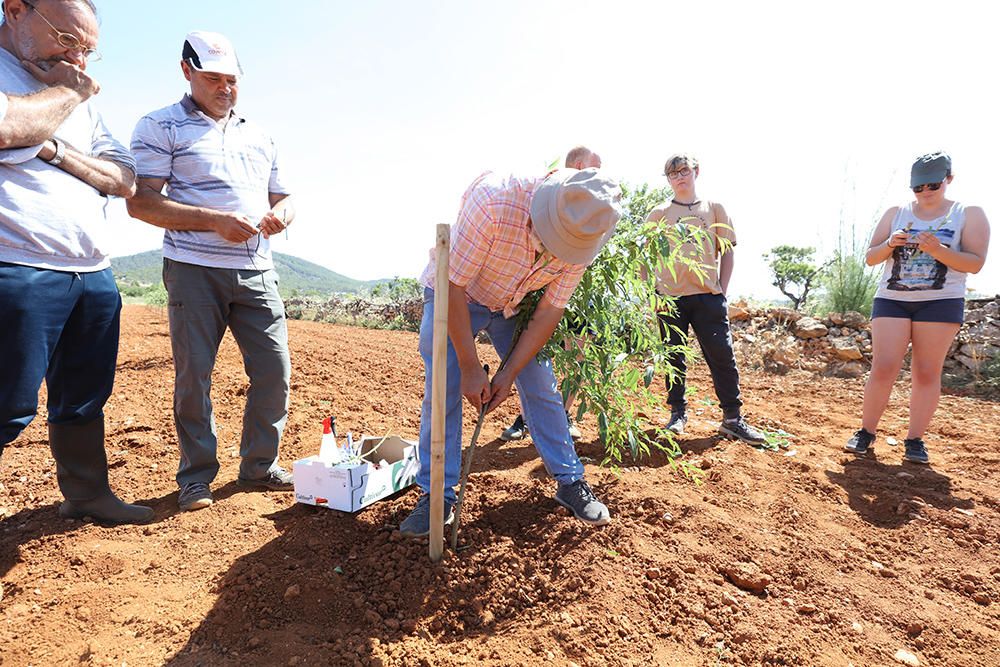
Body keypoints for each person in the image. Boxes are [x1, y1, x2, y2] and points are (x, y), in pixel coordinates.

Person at [399, 168, 621, 536]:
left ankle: (570, 481)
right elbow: (453, 285)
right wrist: (471, 366)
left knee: (540, 381)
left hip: (510, 305)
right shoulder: (493, 203)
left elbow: (549, 310)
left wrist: (509, 373)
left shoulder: (586, 234)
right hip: (455, 294)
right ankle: (437, 496)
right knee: (445, 383)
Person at [127, 31, 296, 511]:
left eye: (232, 80)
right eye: (213, 79)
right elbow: (141, 202)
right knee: (194, 375)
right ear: (186, 71)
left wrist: (284, 215)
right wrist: (213, 222)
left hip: (257, 270)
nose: (225, 88)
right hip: (192, 268)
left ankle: (259, 467)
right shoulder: (160, 126)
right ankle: (197, 476)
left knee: (274, 372)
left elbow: (286, 196)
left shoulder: (259, 134)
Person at [0, 0, 152, 525]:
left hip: (91, 271)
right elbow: (4, 127)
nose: (79, 60)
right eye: (67, 39)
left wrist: (51, 149)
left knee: (85, 396)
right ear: (16, 9)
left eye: (87, 50)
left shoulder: (79, 95)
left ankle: (87, 494)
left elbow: (125, 178)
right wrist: (66, 94)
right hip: (15, 264)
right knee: (7, 406)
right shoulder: (68, 87)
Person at [846, 152, 990, 464]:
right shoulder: (896, 212)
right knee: (883, 367)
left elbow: (976, 263)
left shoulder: (969, 213)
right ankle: (866, 432)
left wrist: (938, 249)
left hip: (941, 302)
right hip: (893, 298)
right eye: (918, 188)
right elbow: (871, 257)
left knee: (926, 372)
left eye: (933, 186)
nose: (925, 193)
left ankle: (914, 440)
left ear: (949, 179)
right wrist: (890, 245)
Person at [647, 153, 766, 444]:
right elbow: (647, 258)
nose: (679, 177)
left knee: (721, 356)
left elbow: (727, 251)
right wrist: (653, 295)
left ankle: (733, 419)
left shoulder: (714, 209)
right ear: (668, 179)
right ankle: (677, 414)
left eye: (684, 171)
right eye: (673, 174)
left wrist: (722, 291)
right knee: (674, 357)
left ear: (696, 172)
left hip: (708, 297)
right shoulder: (658, 214)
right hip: (670, 298)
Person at [500, 145, 602, 443]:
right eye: (596, 168)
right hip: (540, 294)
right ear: (580, 165)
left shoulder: (595, 207)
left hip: (580, 298)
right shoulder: (552, 197)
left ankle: (564, 416)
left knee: (579, 350)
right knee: (533, 355)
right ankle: (526, 418)